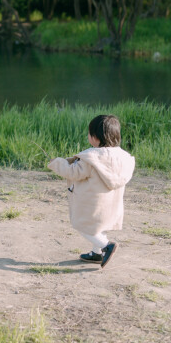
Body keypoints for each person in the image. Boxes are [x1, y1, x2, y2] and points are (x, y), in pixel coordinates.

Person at [47, 114, 135, 269]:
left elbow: (73, 172)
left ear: (96, 137)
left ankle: (106, 245)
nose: (88, 136)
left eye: (89, 133)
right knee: (100, 227)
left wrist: (57, 163)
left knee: (82, 225)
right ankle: (97, 253)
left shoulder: (92, 158)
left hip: (91, 203)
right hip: (111, 204)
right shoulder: (124, 157)